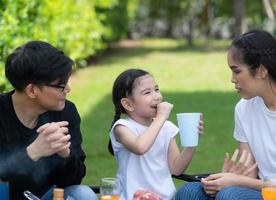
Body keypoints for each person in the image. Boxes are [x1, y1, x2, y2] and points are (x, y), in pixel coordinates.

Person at [175, 29, 276, 200]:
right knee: (188, 192)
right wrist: (227, 178)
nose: (232, 79)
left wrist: (238, 182)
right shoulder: (244, 108)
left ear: (262, 71)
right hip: (259, 192)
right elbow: (248, 172)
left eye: (237, 71)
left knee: (230, 195)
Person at [0, 41, 98, 200]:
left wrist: (65, 154)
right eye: (61, 85)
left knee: (82, 194)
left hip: (48, 196)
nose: (68, 90)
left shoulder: (66, 112)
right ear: (32, 90)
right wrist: (33, 152)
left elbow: (74, 180)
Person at [108, 68, 203, 200]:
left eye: (156, 89)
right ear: (128, 104)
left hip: (166, 197)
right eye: (147, 92)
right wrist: (160, 118)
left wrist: (191, 143)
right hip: (133, 197)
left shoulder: (166, 127)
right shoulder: (122, 128)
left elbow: (176, 168)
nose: (157, 96)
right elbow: (139, 147)